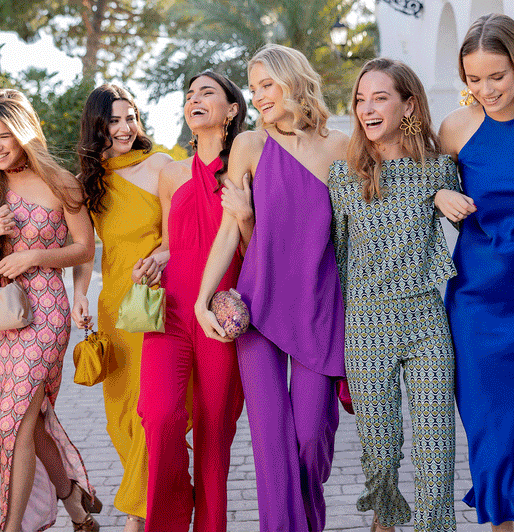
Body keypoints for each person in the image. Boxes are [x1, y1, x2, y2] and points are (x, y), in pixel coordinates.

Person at [195, 44, 347, 531]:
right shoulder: (250, 146)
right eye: (253, 87)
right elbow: (229, 230)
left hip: (320, 308)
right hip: (258, 306)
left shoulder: (340, 148)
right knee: (271, 443)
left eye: (267, 85)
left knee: (311, 437)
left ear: (294, 81)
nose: (258, 96)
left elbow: (369, 221)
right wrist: (202, 300)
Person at [0, 89, 99, 532]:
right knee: (29, 421)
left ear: (24, 133)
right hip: (0, 313)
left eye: (5, 135)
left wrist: (35, 256)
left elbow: (84, 248)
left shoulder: (60, 182)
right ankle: (74, 501)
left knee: (14, 420)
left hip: (46, 312)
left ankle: (12, 525)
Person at [328, 57, 458, 532]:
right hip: (365, 325)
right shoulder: (344, 175)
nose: (367, 109)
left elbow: (490, 212)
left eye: (380, 98)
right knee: (380, 452)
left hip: (426, 322)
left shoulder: (439, 169)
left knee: (436, 449)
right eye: (361, 100)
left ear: (409, 105)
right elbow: (336, 254)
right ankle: (383, 524)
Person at [438, 13, 514, 532]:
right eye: (474, 79)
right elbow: (413, 187)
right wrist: (438, 193)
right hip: (476, 299)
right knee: (485, 420)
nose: (485, 90)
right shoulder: (455, 127)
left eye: (497, 76)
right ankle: (498, 525)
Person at [137, 70, 248, 532]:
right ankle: (169, 516)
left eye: (207, 93)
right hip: (173, 310)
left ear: (232, 110)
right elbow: (171, 242)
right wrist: (154, 260)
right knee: (158, 414)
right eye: (189, 95)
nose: (194, 100)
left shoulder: (245, 166)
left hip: (221, 312)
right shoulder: (171, 173)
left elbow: (253, 243)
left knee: (214, 430)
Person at [71, 84, 173, 532]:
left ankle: (137, 515)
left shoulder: (162, 165)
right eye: (113, 120)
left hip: (157, 301)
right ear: (97, 126)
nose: (125, 128)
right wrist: (79, 294)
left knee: (150, 411)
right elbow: (85, 249)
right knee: (119, 419)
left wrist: (163, 255)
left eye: (130, 117)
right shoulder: (89, 182)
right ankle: (160, 495)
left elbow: (180, 232)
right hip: (114, 306)